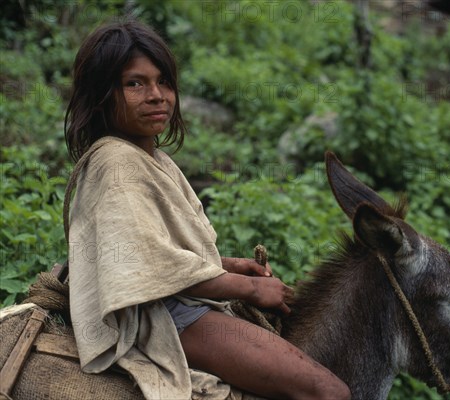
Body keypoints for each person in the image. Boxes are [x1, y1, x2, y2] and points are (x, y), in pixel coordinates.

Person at [64, 19, 350, 400]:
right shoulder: (116, 162)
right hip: (165, 317)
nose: (157, 95)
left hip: (180, 302)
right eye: (135, 83)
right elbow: (148, 266)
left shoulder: (152, 157)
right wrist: (250, 288)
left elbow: (158, 247)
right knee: (329, 391)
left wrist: (227, 265)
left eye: (163, 82)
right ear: (102, 94)